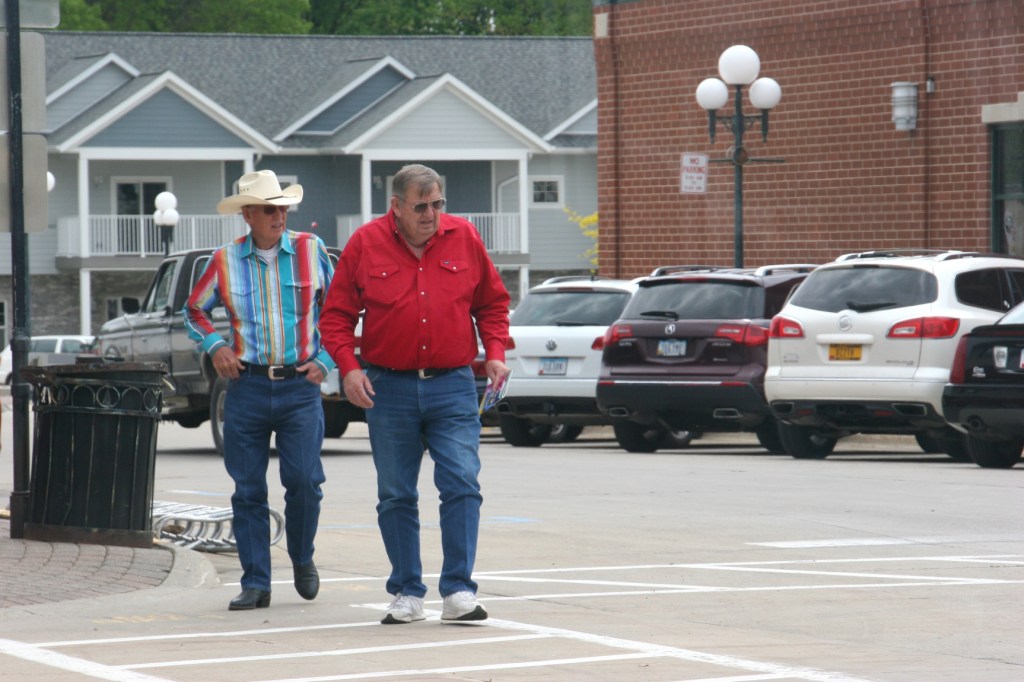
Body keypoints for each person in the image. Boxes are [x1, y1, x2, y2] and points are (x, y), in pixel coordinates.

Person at [320, 163, 510, 624]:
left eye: (438, 204)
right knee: (396, 493)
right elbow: (335, 318)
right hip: (389, 388)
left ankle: (459, 591)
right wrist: (348, 369)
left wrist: (497, 351)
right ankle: (407, 590)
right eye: (421, 206)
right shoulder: (366, 244)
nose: (431, 214)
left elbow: (492, 303)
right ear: (397, 207)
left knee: (462, 481)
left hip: (453, 384)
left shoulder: (463, 237)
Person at [184, 170, 335, 611]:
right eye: (269, 209)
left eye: (283, 208)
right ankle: (256, 582)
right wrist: (215, 347)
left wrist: (327, 360)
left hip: (300, 388)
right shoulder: (224, 260)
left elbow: (344, 307)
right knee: (248, 489)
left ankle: (302, 555)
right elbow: (194, 310)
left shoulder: (312, 250)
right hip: (246, 387)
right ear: (247, 215)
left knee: (305, 481)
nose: (279, 216)